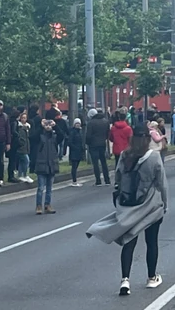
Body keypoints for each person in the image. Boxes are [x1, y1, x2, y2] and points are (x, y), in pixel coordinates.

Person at [86, 124, 168, 296]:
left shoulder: (125, 155)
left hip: (128, 205)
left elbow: (118, 178)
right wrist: (164, 204)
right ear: (147, 139)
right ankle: (152, 278)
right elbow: (161, 183)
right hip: (150, 205)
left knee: (128, 242)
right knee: (151, 242)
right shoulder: (154, 157)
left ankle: (125, 280)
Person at [34, 119, 60, 214]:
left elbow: (63, 135)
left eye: (49, 125)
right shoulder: (40, 136)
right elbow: (33, 137)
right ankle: (38, 206)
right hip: (42, 164)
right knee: (40, 188)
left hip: (51, 165)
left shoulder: (54, 137)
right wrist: (41, 126)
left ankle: (47, 205)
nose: (48, 126)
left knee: (49, 188)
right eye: (46, 125)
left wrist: (56, 126)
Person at [86, 108, 111, 186]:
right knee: (104, 162)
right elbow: (107, 133)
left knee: (95, 163)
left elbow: (88, 135)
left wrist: (87, 143)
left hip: (93, 145)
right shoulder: (105, 121)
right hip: (102, 143)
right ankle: (107, 180)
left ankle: (98, 180)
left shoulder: (91, 123)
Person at [67, 118, 85, 187]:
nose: (78, 125)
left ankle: (75, 180)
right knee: (74, 167)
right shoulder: (72, 132)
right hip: (74, 152)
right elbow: (70, 142)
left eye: (79, 123)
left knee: (76, 166)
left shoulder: (79, 132)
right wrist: (75, 148)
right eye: (76, 123)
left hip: (78, 152)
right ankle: (74, 181)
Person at [16, 112, 33, 183]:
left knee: (22, 162)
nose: (23, 119)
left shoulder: (28, 126)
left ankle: (20, 175)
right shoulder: (19, 126)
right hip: (21, 147)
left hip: (26, 146)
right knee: (26, 160)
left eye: (25, 118)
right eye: (22, 118)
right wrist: (21, 143)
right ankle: (25, 174)